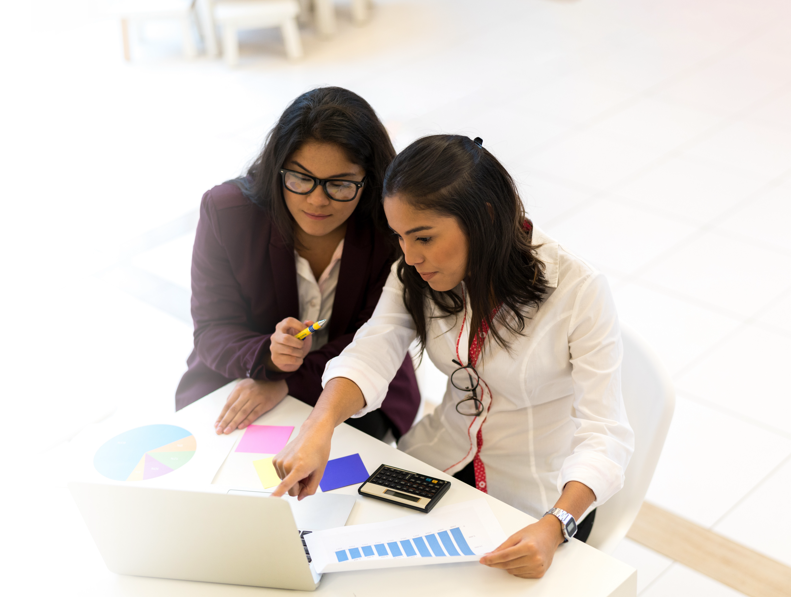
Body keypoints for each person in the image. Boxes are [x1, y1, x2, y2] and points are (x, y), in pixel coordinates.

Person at [271, 135, 635, 579]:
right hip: (437, 459)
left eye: (423, 237)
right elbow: (376, 344)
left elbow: (606, 435)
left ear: (482, 218)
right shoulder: (414, 270)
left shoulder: (579, 290)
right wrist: (319, 426)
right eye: (400, 237)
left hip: (540, 499)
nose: (409, 256)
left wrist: (555, 524)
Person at [174, 87, 421, 442]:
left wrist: (288, 381)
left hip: (355, 389)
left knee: (339, 487)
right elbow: (213, 330)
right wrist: (269, 359)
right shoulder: (227, 213)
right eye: (301, 178)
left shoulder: (390, 226)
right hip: (242, 376)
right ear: (278, 168)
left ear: (369, 181)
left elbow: (375, 338)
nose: (317, 200)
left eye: (339, 184)